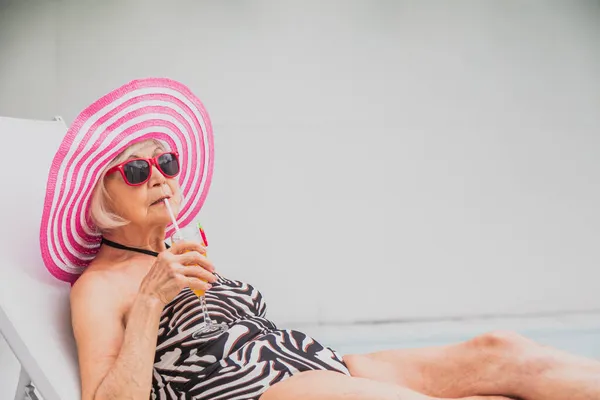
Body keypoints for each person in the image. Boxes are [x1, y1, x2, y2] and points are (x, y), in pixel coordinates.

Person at [40, 78, 600, 400]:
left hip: (313, 363)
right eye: (135, 171)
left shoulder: (180, 249)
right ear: (100, 196)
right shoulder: (100, 286)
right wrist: (148, 305)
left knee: (500, 354)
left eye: (165, 160)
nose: (159, 174)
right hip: (257, 390)